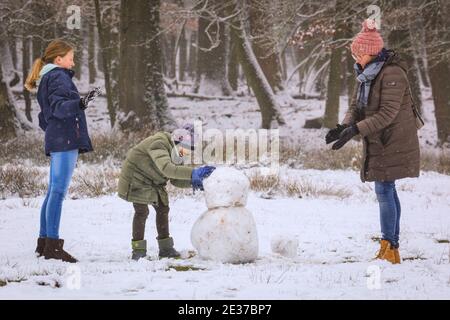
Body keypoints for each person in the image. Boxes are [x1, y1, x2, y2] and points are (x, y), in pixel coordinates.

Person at [326, 19, 420, 264]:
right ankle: (391, 246)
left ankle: (389, 247)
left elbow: (387, 114)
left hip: (393, 139)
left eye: (358, 54)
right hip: (379, 139)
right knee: (387, 189)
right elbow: (357, 106)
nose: (355, 59)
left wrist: (356, 129)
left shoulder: (392, 73)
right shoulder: (367, 74)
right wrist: (344, 127)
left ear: (371, 53)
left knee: (384, 189)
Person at [25, 39, 100, 263]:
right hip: (66, 139)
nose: (73, 61)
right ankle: (53, 247)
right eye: (70, 57)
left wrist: (53, 129)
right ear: (59, 59)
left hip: (58, 137)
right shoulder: (58, 76)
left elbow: (44, 115)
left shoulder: (47, 78)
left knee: (52, 191)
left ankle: (44, 243)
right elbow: (58, 107)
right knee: (58, 192)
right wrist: (81, 103)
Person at [118, 124, 216, 260]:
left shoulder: (178, 152)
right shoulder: (159, 144)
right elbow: (167, 169)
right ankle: (138, 250)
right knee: (142, 211)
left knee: (163, 209)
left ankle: (165, 248)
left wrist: (194, 181)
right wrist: (193, 172)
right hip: (136, 178)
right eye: (186, 146)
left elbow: (175, 179)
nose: (186, 151)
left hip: (152, 180)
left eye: (190, 148)